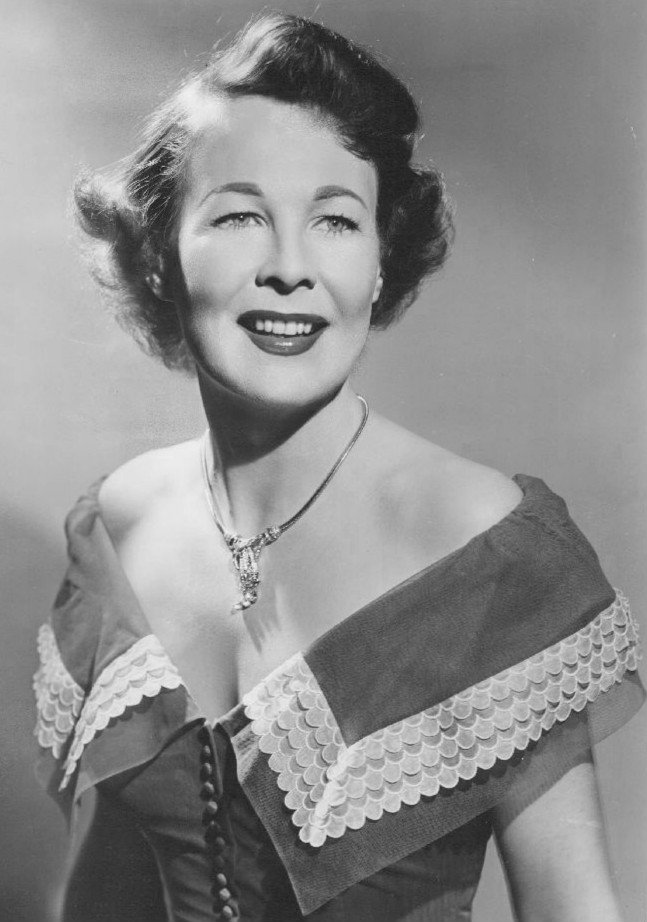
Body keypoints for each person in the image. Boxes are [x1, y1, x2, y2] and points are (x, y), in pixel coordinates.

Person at [33, 13, 644, 922]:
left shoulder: (485, 548)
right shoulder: (119, 526)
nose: (291, 268)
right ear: (159, 256)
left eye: (335, 221)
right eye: (239, 216)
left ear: (380, 260)